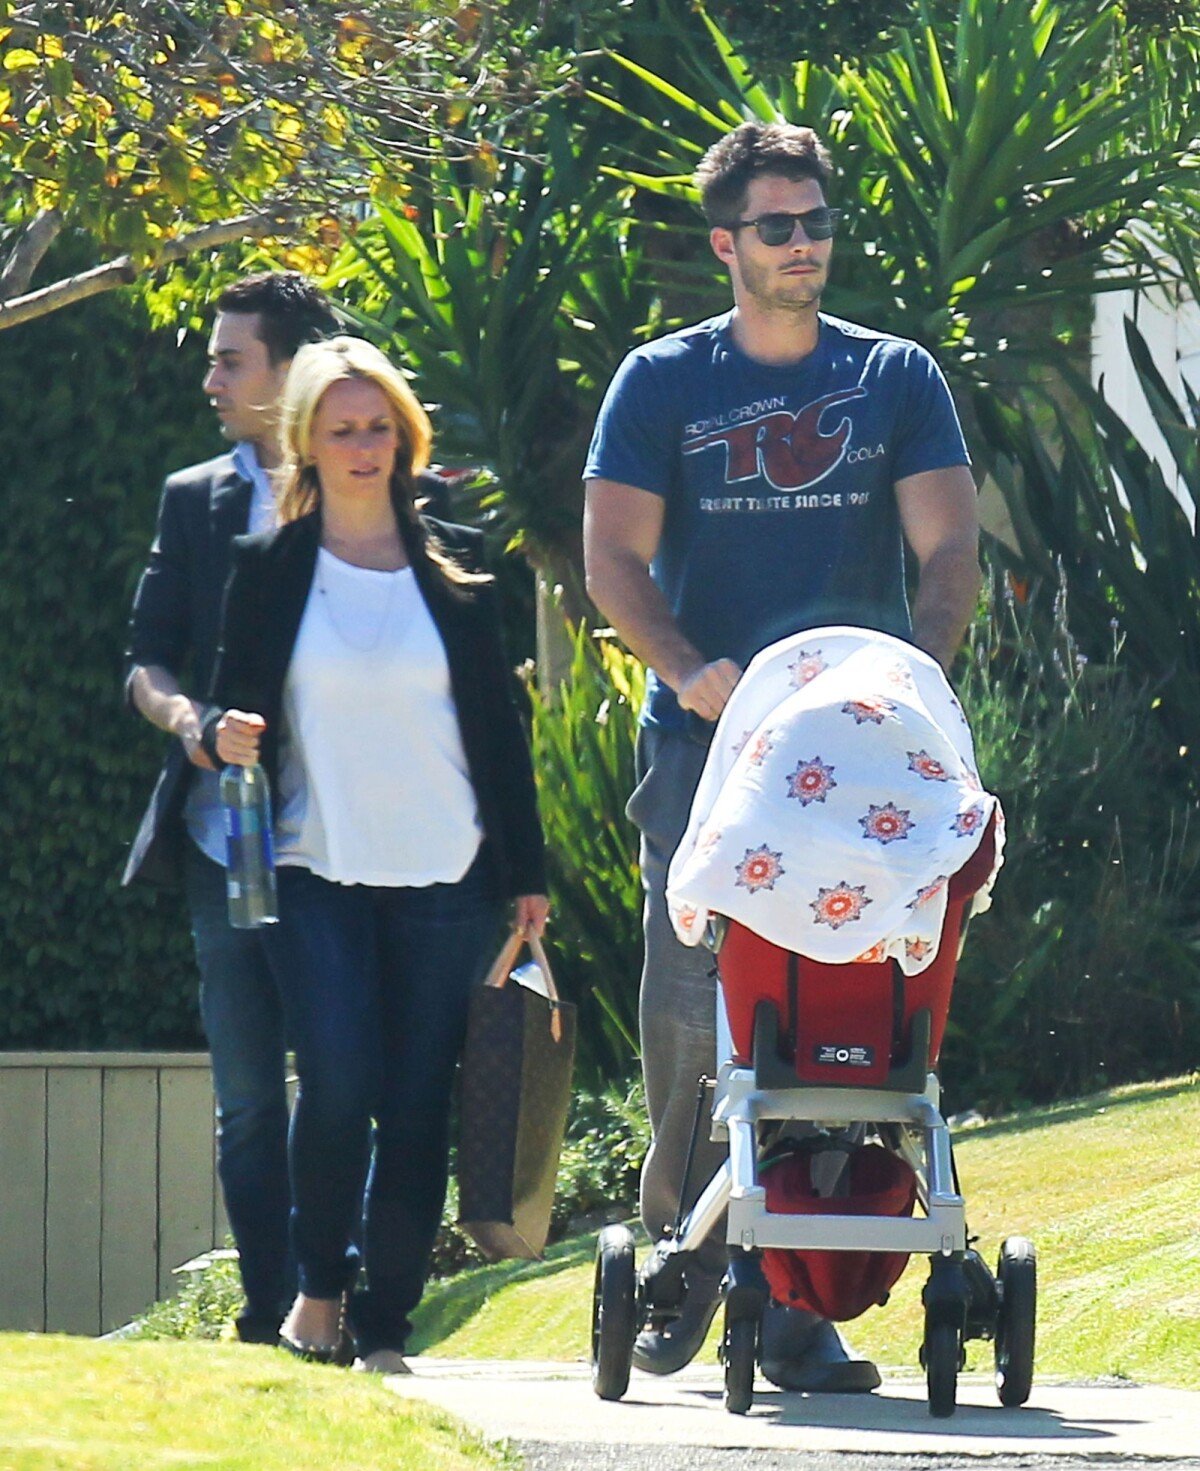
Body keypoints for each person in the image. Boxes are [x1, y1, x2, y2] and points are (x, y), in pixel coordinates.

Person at [582, 121, 980, 1392]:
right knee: (699, 1028)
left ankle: (802, 1305)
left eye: (814, 222)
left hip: (860, 766)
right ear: (726, 245)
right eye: (775, 226)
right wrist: (689, 667)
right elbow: (612, 559)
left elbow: (948, 551)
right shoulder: (663, 384)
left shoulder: (894, 377)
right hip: (709, 754)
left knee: (838, 1028)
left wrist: (912, 685)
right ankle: (685, 1265)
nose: (802, 244)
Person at [202, 335, 548, 1374]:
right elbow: (230, 702)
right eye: (342, 429)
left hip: (449, 877)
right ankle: (319, 1289)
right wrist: (223, 730)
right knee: (340, 1081)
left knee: (414, 1102)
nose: (363, 445)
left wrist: (527, 882)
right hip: (314, 872)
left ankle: (388, 1321)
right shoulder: (267, 573)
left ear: (405, 434)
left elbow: (500, 734)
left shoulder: (459, 574)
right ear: (307, 442)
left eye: (379, 426)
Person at [124, 271, 341, 1343]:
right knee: (251, 1097)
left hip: (351, 845)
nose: (210, 376)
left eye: (228, 358)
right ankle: (268, 1314)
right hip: (226, 842)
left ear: (289, 370)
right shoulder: (193, 497)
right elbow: (144, 662)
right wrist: (191, 724)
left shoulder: (373, 482)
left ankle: (336, 1298)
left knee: (351, 1080)